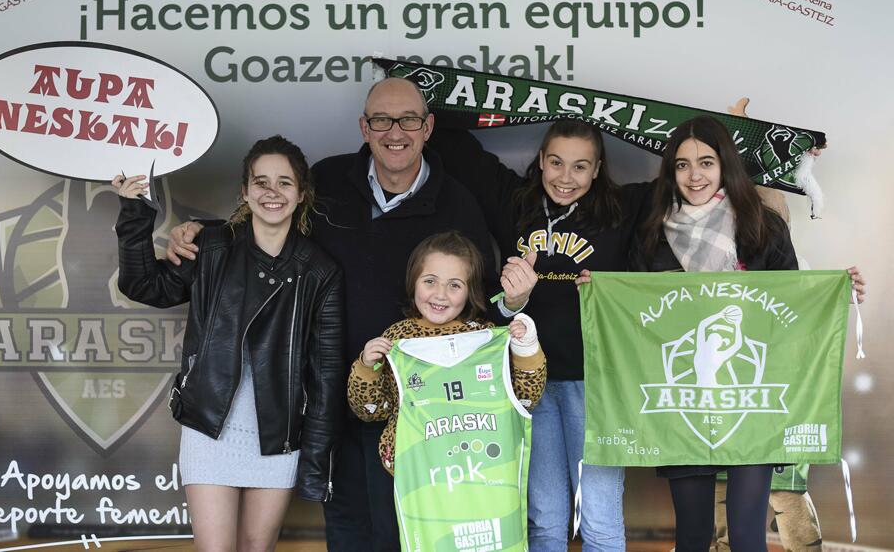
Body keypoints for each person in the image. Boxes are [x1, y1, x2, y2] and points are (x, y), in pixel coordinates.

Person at [164, 78, 500, 551]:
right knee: (344, 526)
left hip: (414, 406)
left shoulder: (458, 204)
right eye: (381, 120)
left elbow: (478, 303)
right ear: (365, 127)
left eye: (408, 120)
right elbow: (270, 224)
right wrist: (204, 232)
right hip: (327, 394)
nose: (395, 132)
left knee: (400, 529)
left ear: (428, 128)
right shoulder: (330, 182)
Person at [579, 115, 864, 552]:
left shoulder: (763, 226)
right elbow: (640, 316)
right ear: (670, 171)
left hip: (751, 400)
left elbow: (791, 301)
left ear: (725, 165)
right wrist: (600, 294)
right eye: (682, 165)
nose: (695, 175)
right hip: (684, 401)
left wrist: (833, 292)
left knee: (748, 535)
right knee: (693, 534)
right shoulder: (652, 233)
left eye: (706, 162)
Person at [113, 135, 345, 552]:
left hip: (277, 437)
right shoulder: (212, 245)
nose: (271, 193)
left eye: (284, 183)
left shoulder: (320, 271)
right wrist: (135, 212)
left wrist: (316, 464)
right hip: (209, 425)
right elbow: (144, 285)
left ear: (302, 193)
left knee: (257, 548)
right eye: (260, 182)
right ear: (244, 191)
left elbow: (326, 375)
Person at [429, 121, 649, 551]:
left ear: (598, 169)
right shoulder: (514, 202)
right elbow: (451, 144)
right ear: (541, 162)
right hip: (529, 383)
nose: (565, 178)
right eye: (556, 163)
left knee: (600, 519)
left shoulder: (624, 207)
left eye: (580, 167)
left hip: (596, 384)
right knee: (545, 519)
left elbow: (696, 184)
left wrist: (615, 285)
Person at [348, 230, 546, 549]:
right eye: (430, 281)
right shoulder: (396, 340)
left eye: (455, 285)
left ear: (470, 293)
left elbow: (525, 397)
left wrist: (525, 347)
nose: (440, 294)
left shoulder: (485, 340)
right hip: (410, 478)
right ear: (413, 282)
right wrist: (367, 366)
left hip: (475, 476)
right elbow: (371, 410)